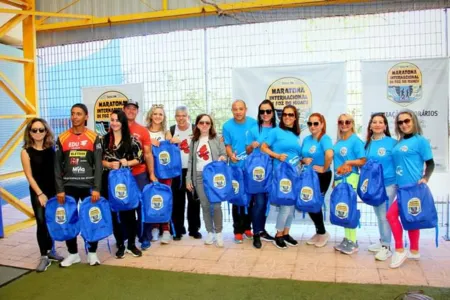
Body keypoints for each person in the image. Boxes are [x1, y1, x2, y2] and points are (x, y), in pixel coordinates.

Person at [55, 103, 103, 267]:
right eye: (73, 113)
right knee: (69, 220)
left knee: (92, 217)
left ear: (86, 117)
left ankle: (92, 253)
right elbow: (57, 167)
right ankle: (73, 253)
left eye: (79, 114)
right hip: (69, 187)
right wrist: (60, 190)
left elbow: (98, 166)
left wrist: (96, 188)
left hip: (89, 186)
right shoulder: (61, 138)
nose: (75, 117)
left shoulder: (94, 137)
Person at [387, 109, 434, 268]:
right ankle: (414, 250)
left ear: (413, 121)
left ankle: (400, 249)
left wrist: (425, 177)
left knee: (393, 215)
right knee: (410, 217)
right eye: (400, 122)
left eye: (407, 121)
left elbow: (430, 163)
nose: (404, 124)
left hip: (414, 188)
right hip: (401, 187)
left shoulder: (420, 141)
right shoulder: (398, 143)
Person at [21, 118, 64, 272]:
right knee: (41, 221)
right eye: (34, 130)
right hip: (38, 192)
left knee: (51, 221)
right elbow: (29, 176)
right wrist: (40, 194)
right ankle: (43, 256)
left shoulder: (52, 149)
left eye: (41, 130)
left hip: (53, 191)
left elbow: (57, 170)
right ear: (29, 132)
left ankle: (51, 251)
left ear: (46, 131)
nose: (38, 133)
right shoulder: (26, 152)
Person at [101, 109, 143, 259]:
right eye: (112, 120)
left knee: (129, 212)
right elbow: (98, 161)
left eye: (117, 120)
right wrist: (108, 164)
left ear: (123, 122)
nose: (114, 123)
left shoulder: (132, 140)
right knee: (114, 214)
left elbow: (140, 158)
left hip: (126, 182)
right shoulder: (103, 140)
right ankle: (120, 244)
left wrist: (127, 162)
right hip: (108, 181)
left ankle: (131, 244)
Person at [261, 105, 302, 249]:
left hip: (295, 174)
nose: (287, 117)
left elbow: (296, 154)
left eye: (291, 115)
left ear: (295, 117)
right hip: (281, 174)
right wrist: (277, 156)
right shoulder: (275, 132)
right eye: (285, 114)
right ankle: (278, 234)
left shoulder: (296, 134)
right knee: (286, 206)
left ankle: (286, 233)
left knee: (291, 206)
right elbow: (263, 147)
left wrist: (303, 161)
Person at [186, 114, 227, 247]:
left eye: (207, 123)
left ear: (211, 125)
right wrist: (188, 178)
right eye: (201, 122)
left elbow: (224, 154)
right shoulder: (194, 141)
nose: (204, 125)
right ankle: (210, 232)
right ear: (197, 124)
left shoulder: (217, 138)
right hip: (198, 176)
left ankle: (219, 233)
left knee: (216, 205)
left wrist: (222, 158)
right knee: (204, 205)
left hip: (213, 177)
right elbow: (191, 160)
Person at [123, 99, 156, 251]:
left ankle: (144, 237)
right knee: (124, 207)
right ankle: (126, 237)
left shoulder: (142, 131)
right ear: (124, 110)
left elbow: (148, 154)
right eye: (128, 108)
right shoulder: (116, 128)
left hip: (139, 174)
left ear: (137, 111)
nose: (131, 111)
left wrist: (152, 174)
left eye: (134, 109)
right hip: (122, 177)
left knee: (142, 207)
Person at [222, 99, 257, 244]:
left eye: (240, 109)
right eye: (235, 109)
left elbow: (257, 142)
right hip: (235, 168)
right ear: (232, 111)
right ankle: (237, 230)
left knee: (250, 199)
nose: (238, 112)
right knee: (236, 199)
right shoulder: (227, 125)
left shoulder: (254, 123)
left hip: (251, 168)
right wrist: (230, 155)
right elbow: (227, 145)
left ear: (245, 109)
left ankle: (248, 228)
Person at [364, 113, 397, 261]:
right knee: (379, 214)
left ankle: (387, 246)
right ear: (370, 126)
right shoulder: (367, 144)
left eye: (381, 122)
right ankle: (382, 241)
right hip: (374, 186)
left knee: (385, 215)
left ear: (385, 126)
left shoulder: (393, 143)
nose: (377, 124)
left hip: (388, 184)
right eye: (374, 122)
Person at [332, 113, 366, 255]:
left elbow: (363, 160)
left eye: (347, 122)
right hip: (340, 179)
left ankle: (353, 241)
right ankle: (347, 239)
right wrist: (335, 179)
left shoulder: (355, 141)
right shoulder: (339, 142)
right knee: (344, 209)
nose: (344, 124)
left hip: (351, 178)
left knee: (349, 209)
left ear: (352, 124)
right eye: (341, 122)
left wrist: (349, 162)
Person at [245, 99, 276, 249]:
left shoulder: (277, 129)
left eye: (268, 111)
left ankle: (262, 230)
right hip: (258, 172)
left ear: (273, 112)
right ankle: (256, 232)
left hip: (274, 170)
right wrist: (252, 145)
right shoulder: (253, 129)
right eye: (262, 111)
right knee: (259, 202)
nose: (265, 114)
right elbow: (247, 151)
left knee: (266, 203)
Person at [301, 113, 333, 248]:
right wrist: (303, 160)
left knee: (314, 203)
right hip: (308, 176)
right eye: (310, 124)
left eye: (316, 123)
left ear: (322, 124)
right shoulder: (307, 139)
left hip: (321, 176)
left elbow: (329, 154)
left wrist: (324, 168)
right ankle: (320, 232)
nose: (312, 126)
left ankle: (323, 232)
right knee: (309, 202)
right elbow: (301, 157)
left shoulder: (325, 139)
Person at [170, 105, 202, 240]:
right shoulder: (171, 130)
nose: (181, 118)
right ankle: (178, 229)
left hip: (192, 170)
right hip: (176, 171)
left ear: (188, 116)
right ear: (175, 117)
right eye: (178, 115)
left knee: (194, 200)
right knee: (177, 201)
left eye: (184, 115)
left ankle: (194, 229)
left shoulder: (196, 129)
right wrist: (170, 141)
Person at [146, 104, 177, 244]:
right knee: (152, 198)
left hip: (165, 172)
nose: (158, 116)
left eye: (161, 114)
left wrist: (174, 141)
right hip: (149, 170)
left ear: (163, 117)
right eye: (155, 114)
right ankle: (154, 227)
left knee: (165, 197)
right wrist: (148, 141)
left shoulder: (166, 132)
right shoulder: (145, 131)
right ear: (150, 115)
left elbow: (171, 143)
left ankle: (166, 229)